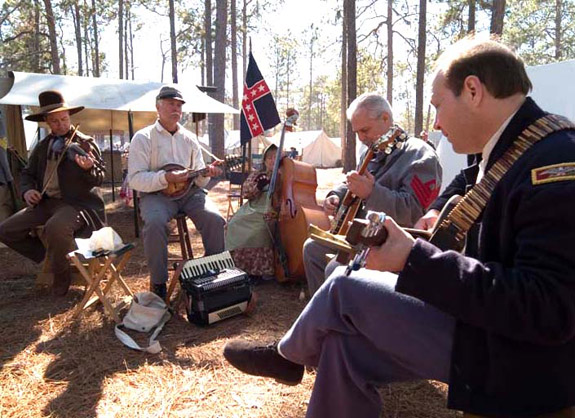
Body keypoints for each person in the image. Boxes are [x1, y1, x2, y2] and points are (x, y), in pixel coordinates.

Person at [223, 38, 575, 417]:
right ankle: (295, 356)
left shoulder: (556, 165)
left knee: (344, 284)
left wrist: (415, 259)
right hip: (483, 326)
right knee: (344, 351)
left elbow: (548, 310)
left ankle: (289, 356)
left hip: (518, 361)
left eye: (438, 105)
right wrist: (438, 211)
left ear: (473, 90)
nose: (436, 122)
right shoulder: (512, 148)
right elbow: (467, 184)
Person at [303, 92, 442, 296]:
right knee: (312, 248)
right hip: (359, 236)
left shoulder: (421, 157)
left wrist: (371, 193)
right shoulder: (372, 152)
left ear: (385, 118)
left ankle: (342, 320)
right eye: (357, 132)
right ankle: (324, 317)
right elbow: (354, 182)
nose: (361, 138)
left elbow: (413, 212)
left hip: (390, 245)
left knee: (335, 268)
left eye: (365, 130)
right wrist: (336, 195)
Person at [0, 90, 106, 296]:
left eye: (64, 119)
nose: (61, 125)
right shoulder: (42, 146)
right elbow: (27, 174)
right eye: (55, 121)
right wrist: (28, 191)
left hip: (77, 204)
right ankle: (49, 256)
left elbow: (99, 176)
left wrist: (88, 169)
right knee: (5, 229)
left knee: (56, 227)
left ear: (69, 117)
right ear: (47, 122)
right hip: (47, 203)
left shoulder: (85, 143)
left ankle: (62, 274)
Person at [128, 86, 225, 299]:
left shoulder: (189, 139)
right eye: (171, 103)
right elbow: (134, 178)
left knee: (215, 219)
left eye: (179, 105)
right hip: (157, 195)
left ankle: (212, 273)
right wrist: (165, 178)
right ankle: (159, 283)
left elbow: (199, 177)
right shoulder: (143, 138)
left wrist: (208, 172)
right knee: (154, 223)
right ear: (158, 107)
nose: (176, 108)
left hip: (190, 193)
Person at [225, 143, 278, 279]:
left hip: (270, 209)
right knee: (233, 224)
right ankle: (239, 267)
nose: (272, 160)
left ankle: (260, 270)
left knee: (259, 229)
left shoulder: (284, 175)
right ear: (265, 161)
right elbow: (246, 194)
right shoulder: (257, 174)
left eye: (275, 157)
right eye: (269, 157)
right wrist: (259, 186)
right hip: (253, 208)